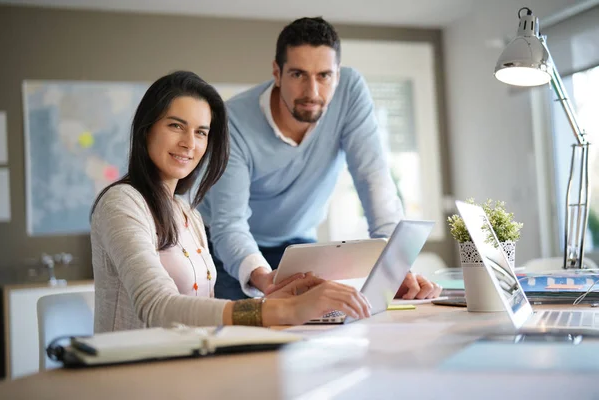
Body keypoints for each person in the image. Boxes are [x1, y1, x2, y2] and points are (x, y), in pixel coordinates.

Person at [90, 71, 371, 333]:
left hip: (190, 367)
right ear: (146, 129)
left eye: (201, 132)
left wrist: (271, 301)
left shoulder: (189, 214)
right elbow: (156, 306)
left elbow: (203, 310)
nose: (190, 143)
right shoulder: (122, 203)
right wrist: (284, 310)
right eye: (176, 126)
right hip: (133, 376)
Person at [199, 17, 443, 301]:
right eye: (298, 75)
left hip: (297, 244)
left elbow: (373, 180)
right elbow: (230, 224)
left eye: (324, 76)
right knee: (246, 332)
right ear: (277, 73)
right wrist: (264, 279)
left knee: (316, 327)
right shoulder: (233, 121)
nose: (312, 93)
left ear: (337, 75)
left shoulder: (350, 92)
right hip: (229, 249)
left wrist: (396, 267)